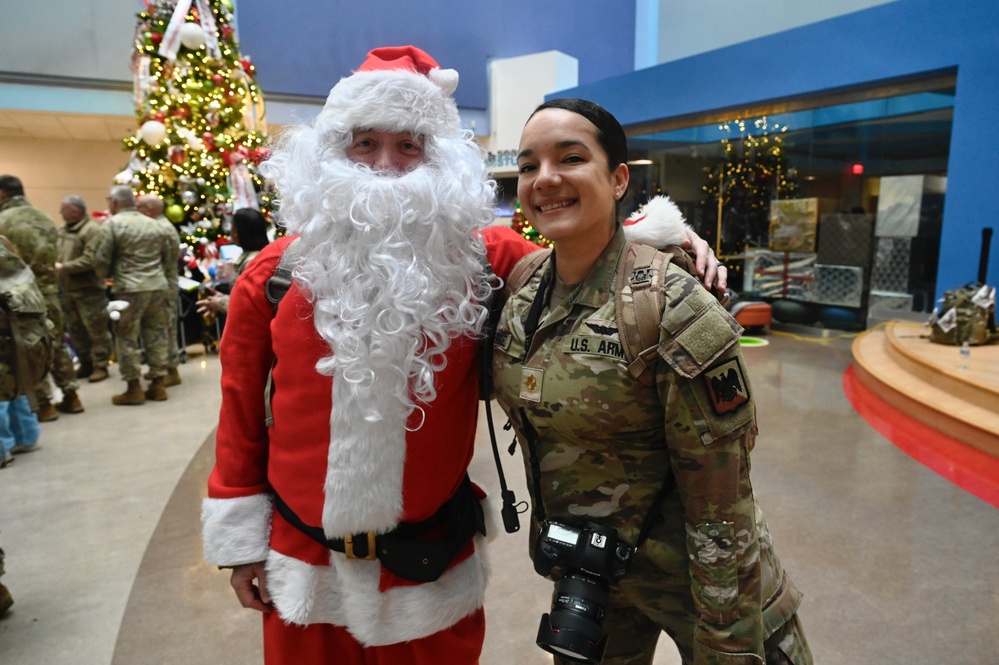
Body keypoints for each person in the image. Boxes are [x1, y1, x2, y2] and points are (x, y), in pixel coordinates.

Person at [200, 47, 724, 665]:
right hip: (302, 564)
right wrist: (241, 546)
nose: (386, 166)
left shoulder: (482, 260)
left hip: (428, 569)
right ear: (332, 155)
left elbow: (577, 254)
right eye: (364, 144)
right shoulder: (273, 274)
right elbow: (238, 413)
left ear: (440, 159)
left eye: (409, 145)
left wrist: (658, 238)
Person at [490, 98, 811, 665]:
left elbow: (722, 501)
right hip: (594, 581)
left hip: (705, 585)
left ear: (617, 180)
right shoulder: (523, 289)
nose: (545, 179)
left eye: (570, 158)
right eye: (527, 165)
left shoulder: (671, 307)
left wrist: (729, 648)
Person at [0, 175, 83, 419]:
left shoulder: (2, 222)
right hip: (49, 292)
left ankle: (44, 404)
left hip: (18, 300)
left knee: (27, 347)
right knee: (56, 343)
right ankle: (72, 395)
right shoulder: (45, 218)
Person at [93, 186, 175, 405]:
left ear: (115, 202)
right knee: (157, 334)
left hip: (128, 289)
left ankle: (133, 387)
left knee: (126, 337)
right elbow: (168, 257)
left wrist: (107, 275)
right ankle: (158, 385)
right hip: (157, 285)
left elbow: (100, 259)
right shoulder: (154, 224)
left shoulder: (112, 225)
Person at [55, 195, 112, 383]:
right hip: (69, 289)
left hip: (89, 289)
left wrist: (64, 267)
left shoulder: (91, 230)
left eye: (63, 209)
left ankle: (101, 364)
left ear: (75, 211)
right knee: (75, 329)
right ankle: (86, 363)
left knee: (96, 329)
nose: (60, 213)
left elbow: (91, 259)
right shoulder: (63, 231)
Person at [136, 194, 183, 388]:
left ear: (149, 209)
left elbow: (166, 260)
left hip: (165, 283)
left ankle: (170, 370)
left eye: (139, 207)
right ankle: (166, 368)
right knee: (165, 328)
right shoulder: (160, 226)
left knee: (165, 329)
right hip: (165, 282)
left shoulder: (161, 228)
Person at [195, 207, 271, 317]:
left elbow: (249, 307)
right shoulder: (257, 256)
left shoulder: (252, 263)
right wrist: (225, 299)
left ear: (237, 231)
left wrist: (220, 303)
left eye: (232, 227)